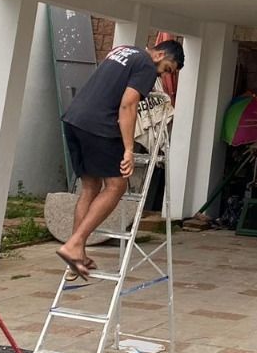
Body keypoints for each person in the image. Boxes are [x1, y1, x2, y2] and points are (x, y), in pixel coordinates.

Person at [56, 39, 183, 278]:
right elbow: (128, 105)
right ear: (160, 55)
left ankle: (77, 256)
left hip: (75, 119)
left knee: (90, 188)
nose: (163, 75)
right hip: (100, 126)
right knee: (116, 186)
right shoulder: (147, 65)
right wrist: (128, 149)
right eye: (167, 69)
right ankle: (74, 244)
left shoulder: (124, 50)